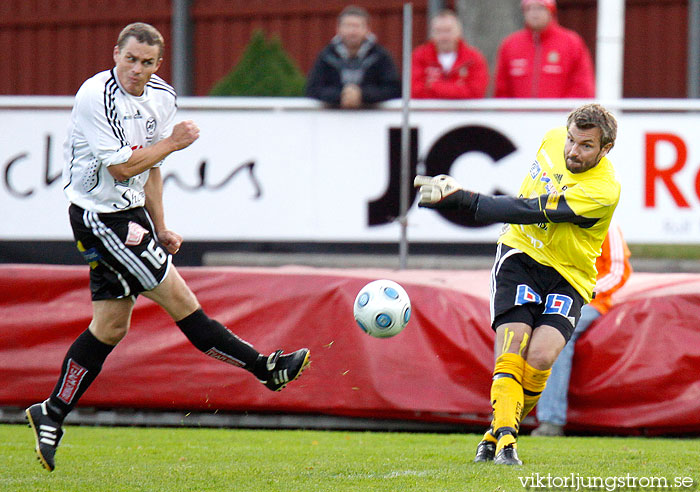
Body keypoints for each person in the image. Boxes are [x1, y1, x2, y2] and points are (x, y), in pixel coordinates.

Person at [26, 22, 310, 473]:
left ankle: (52, 411)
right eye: (130, 59)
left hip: (132, 215)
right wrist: (172, 142)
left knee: (111, 326)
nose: (136, 70)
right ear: (114, 53)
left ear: (158, 64)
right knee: (181, 300)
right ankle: (264, 367)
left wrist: (160, 226)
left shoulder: (162, 97)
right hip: (100, 218)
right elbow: (122, 169)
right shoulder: (94, 97)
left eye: (146, 62)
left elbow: (151, 167)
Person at [414, 103, 619, 465]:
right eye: (572, 140)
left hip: (569, 274)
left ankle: (494, 431)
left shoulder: (603, 190)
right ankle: (507, 440)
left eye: (586, 146)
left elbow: (529, 209)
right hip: (520, 255)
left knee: (540, 357)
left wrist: (462, 199)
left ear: (605, 150)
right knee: (513, 344)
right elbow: (523, 211)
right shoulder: (552, 140)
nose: (573, 150)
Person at [532, 223, 631, 436]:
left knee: (557, 337)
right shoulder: (555, 222)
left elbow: (618, 271)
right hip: (554, 297)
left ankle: (551, 419)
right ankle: (504, 414)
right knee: (512, 328)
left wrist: (581, 292)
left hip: (591, 301)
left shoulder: (606, 225)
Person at [494, 0, 595, 98]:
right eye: (529, 8)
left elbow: (582, 87)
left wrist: (562, 112)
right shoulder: (510, 44)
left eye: (540, 8)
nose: (534, 13)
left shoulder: (572, 43)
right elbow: (501, 90)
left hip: (559, 114)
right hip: (518, 115)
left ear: (550, 10)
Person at [305, 5, 401, 108]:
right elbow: (312, 90)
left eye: (357, 26)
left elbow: (394, 89)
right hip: (333, 118)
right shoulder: (326, 56)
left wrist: (362, 95)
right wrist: (341, 95)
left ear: (367, 29)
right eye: (347, 26)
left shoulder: (381, 56)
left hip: (372, 118)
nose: (352, 31)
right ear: (338, 29)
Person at [411, 9, 489, 99]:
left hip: (464, 112)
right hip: (429, 112)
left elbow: (476, 92)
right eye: (439, 31)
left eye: (448, 31)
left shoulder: (473, 58)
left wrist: (433, 85)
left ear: (459, 32)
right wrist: (458, 87)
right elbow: (415, 91)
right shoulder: (419, 56)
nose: (444, 37)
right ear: (431, 33)